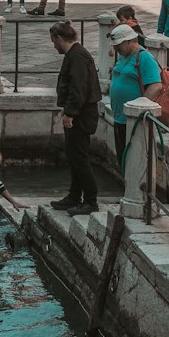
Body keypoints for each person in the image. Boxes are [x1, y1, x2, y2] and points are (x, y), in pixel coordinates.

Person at [49, 21, 100, 213]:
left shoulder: (77, 56)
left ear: (60, 38)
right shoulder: (76, 54)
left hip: (81, 116)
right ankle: (74, 196)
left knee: (79, 157)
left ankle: (90, 200)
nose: (54, 46)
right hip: (79, 113)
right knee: (74, 156)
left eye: (54, 41)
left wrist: (70, 113)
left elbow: (78, 88)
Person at [108, 23, 162, 163]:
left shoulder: (145, 58)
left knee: (132, 161)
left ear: (130, 41)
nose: (116, 48)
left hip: (133, 120)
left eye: (119, 45)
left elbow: (156, 86)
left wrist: (138, 111)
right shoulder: (124, 55)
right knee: (123, 159)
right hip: (120, 118)